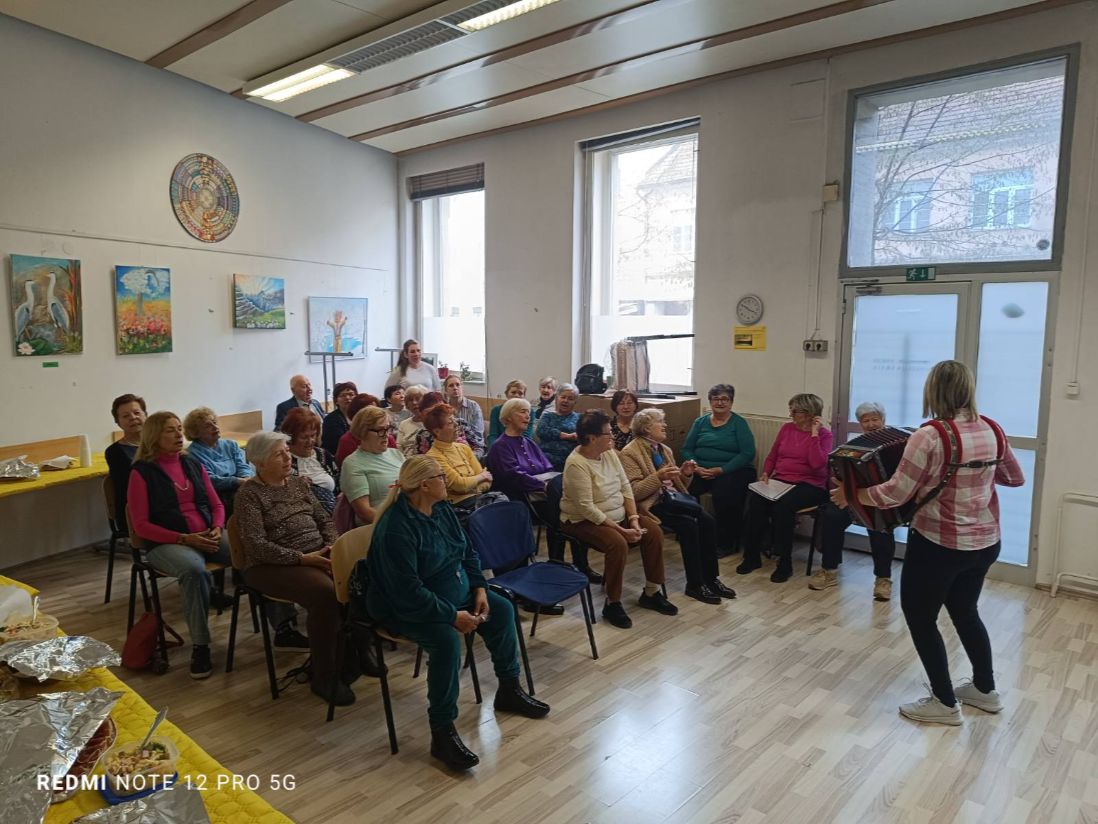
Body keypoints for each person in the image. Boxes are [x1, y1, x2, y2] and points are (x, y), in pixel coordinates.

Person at [830, 361, 1024, 725]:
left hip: (939, 544)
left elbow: (895, 493)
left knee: (920, 618)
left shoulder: (929, 436)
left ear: (932, 391)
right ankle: (985, 690)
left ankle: (944, 703)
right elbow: (1015, 478)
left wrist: (852, 495)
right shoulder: (993, 429)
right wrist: (977, 474)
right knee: (965, 611)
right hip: (985, 541)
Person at [351, 456, 549, 770]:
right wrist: (452, 616)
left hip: (452, 593)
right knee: (445, 642)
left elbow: (467, 551)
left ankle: (509, 689)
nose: (448, 480)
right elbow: (407, 591)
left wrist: (480, 587)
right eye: (442, 476)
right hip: (402, 607)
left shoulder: (441, 508)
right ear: (424, 485)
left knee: (501, 608)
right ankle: (441, 732)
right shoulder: (396, 528)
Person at [235, 432, 351, 706]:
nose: (288, 457)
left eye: (287, 451)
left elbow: (325, 520)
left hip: (316, 554)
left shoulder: (299, 484)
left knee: (359, 577)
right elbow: (256, 546)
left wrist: (331, 547)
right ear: (260, 462)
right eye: (279, 454)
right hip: (270, 565)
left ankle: (353, 655)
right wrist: (302, 558)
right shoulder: (249, 495)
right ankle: (323, 676)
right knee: (325, 593)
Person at [126, 411, 233, 679]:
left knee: (249, 549)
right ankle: (201, 646)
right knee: (194, 570)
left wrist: (217, 527)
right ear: (154, 437)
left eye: (178, 429)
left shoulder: (192, 463)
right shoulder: (142, 472)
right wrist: (184, 538)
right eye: (170, 430)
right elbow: (141, 526)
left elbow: (216, 504)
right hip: (166, 542)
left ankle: (280, 624)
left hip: (206, 534)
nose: (178, 434)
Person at [559, 410, 676, 629]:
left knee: (653, 531)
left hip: (617, 514)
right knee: (618, 543)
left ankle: (651, 592)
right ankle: (612, 603)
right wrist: (622, 530)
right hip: (580, 521)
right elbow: (587, 509)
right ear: (592, 438)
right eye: (608, 433)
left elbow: (625, 488)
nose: (612, 436)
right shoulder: (576, 463)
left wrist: (634, 519)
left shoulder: (610, 453)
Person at [620, 409, 736, 605]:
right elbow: (633, 492)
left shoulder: (664, 449)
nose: (665, 425)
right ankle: (695, 584)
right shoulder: (629, 452)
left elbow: (679, 486)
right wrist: (658, 477)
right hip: (651, 504)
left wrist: (686, 474)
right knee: (689, 525)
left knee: (707, 521)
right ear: (647, 428)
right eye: (660, 422)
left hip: (671, 499)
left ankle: (711, 578)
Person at [739, 393, 833, 583]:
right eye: (791, 410)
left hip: (811, 484)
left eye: (795, 411)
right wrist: (766, 473)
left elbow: (817, 465)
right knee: (756, 500)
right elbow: (773, 455)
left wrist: (814, 434)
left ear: (809, 413)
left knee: (783, 506)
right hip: (781, 480)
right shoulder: (786, 428)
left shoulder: (824, 435)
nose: (791, 414)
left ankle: (784, 561)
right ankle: (752, 556)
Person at [809, 402, 897, 600]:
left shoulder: (895, 442)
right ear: (860, 424)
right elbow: (840, 474)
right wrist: (846, 489)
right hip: (853, 497)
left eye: (875, 419)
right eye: (866, 421)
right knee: (832, 515)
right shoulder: (854, 446)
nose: (871, 424)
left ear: (883, 420)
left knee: (881, 524)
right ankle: (829, 570)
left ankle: (883, 579)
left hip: (880, 499)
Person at [681, 384, 757, 556]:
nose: (720, 403)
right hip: (701, 469)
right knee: (684, 488)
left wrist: (722, 470)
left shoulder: (739, 423)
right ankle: (693, 533)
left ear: (731, 402)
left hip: (734, 470)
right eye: (716, 399)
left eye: (725, 399)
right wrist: (696, 467)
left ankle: (727, 542)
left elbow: (747, 453)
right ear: (710, 402)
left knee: (724, 494)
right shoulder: (700, 422)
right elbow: (687, 449)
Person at [424, 404, 494, 515]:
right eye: (450, 422)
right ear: (437, 431)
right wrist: (481, 477)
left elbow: (487, 482)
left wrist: (469, 487)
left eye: (455, 420)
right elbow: (459, 485)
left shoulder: (464, 448)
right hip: (459, 508)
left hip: (480, 500)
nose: (456, 424)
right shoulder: (433, 457)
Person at [184, 407, 254, 515]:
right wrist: (237, 481)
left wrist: (246, 478)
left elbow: (243, 466)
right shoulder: (192, 454)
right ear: (196, 433)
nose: (215, 427)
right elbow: (209, 480)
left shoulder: (231, 444)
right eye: (208, 426)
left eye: (215, 422)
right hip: (217, 495)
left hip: (240, 487)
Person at [340, 406, 404, 526]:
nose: (386, 435)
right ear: (363, 432)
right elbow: (364, 512)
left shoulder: (396, 454)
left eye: (388, 428)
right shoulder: (353, 463)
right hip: (381, 526)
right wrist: (399, 525)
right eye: (380, 430)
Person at [486, 398, 555, 501]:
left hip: (541, 495)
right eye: (523, 412)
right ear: (508, 417)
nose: (528, 416)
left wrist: (552, 483)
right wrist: (543, 486)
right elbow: (514, 477)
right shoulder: (500, 446)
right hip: (517, 500)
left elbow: (548, 467)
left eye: (528, 412)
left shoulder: (530, 443)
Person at [282, 407, 339, 514]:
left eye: (313, 435)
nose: (310, 441)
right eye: (304, 437)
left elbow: (339, 483)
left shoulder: (324, 455)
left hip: (332, 512)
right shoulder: (283, 460)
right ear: (291, 437)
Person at [105, 393, 146, 527]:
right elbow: (129, 489)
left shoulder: (159, 445)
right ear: (118, 422)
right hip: (136, 513)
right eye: (126, 416)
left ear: (145, 415)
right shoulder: (115, 452)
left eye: (137, 413)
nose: (133, 418)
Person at [412, 391, 485, 460]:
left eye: (441, 409)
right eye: (433, 413)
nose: (437, 415)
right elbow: (420, 463)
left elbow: (479, 446)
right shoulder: (423, 434)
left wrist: (470, 458)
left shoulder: (460, 423)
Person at [536, 383, 580, 471]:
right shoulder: (547, 416)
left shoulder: (580, 418)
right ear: (556, 398)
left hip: (569, 461)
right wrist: (566, 436)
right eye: (563, 397)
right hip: (545, 459)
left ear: (575, 402)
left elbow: (585, 436)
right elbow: (541, 431)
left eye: (570, 399)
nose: (566, 401)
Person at [334, 393, 383, 467]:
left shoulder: (386, 436)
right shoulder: (348, 440)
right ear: (357, 415)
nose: (374, 416)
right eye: (369, 412)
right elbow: (345, 467)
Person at [487, 380, 532, 447]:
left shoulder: (530, 411)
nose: (516, 395)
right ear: (507, 394)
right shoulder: (496, 410)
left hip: (520, 446)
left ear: (524, 396)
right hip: (499, 445)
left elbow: (527, 436)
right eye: (513, 392)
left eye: (520, 393)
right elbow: (493, 435)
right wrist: (494, 448)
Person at [444, 375, 485, 443]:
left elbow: (478, 434)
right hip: (450, 445)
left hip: (473, 444)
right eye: (451, 385)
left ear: (462, 387)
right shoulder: (444, 408)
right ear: (446, 390)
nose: (455, 388)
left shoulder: (474, 406)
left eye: (458, 385)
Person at [321, 381, 358, 455]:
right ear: (336, 401)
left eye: (351, 394)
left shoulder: (360, 415)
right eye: (343, 395)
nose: (347, 398)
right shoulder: (331, 419)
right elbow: (335, 446)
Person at [396, 385, 430, 456]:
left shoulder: (434, 422)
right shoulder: (403, 424)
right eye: (411, 400)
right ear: (407, 405)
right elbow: (399, 448)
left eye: (418, 399)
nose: (414, 402)